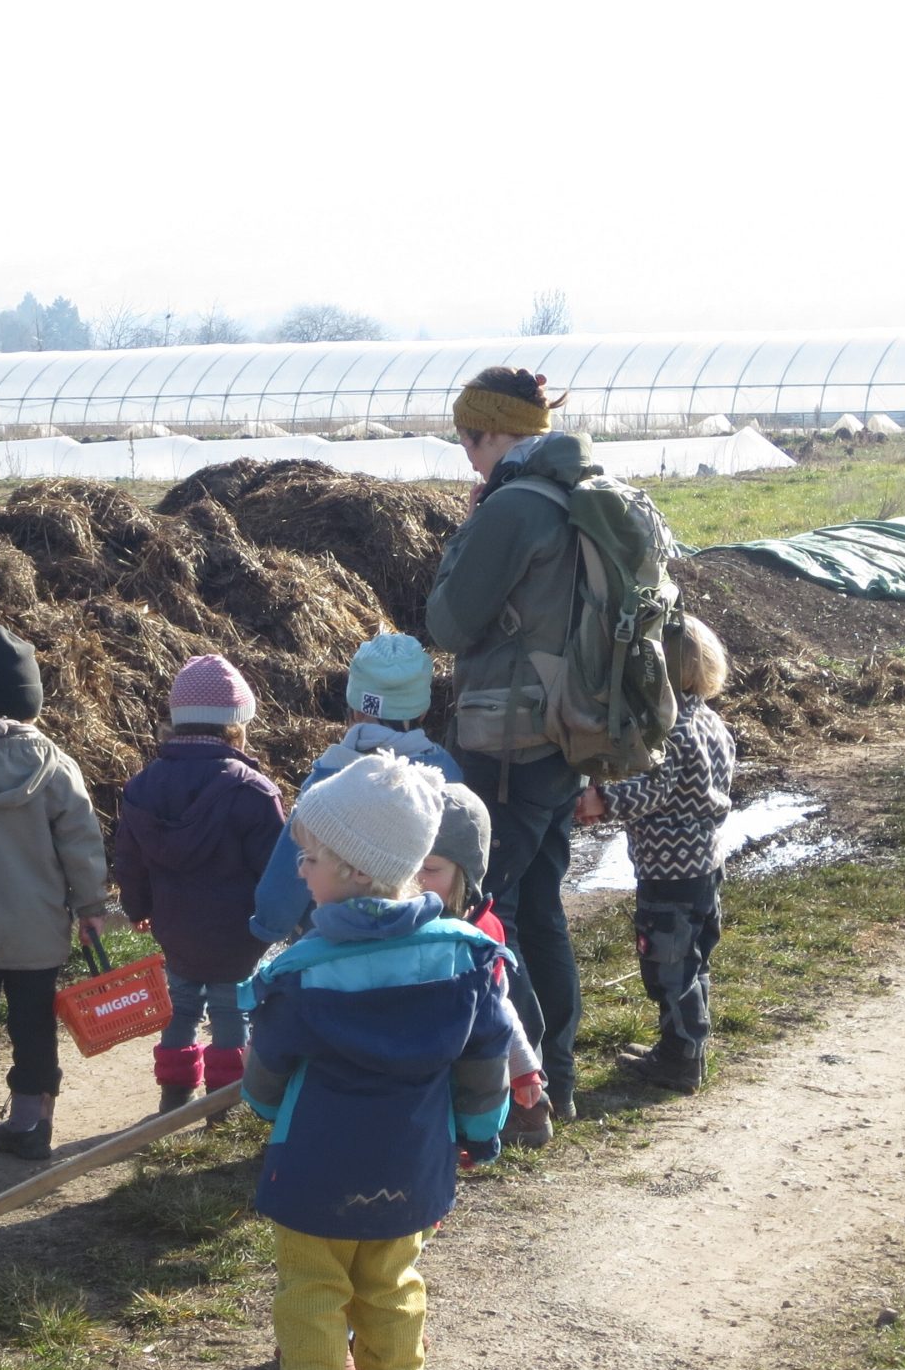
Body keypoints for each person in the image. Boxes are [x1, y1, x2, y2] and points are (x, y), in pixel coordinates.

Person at [241, 752, 518, 1370]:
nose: (300, 872)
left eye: (310, 860)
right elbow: (487, 1061)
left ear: (354, 871)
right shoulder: (464, 959)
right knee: (393, 1277)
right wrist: (482, 1132)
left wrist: (266, 1110)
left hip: (316, 1162)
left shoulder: (301, 974)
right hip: (414, 1162)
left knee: (312, 1281)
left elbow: (269, 1068)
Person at [424, 366, 589, 1123]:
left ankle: (527, 1100)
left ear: (494, 432)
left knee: (496, 913)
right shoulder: (578, 492)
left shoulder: (512, 507)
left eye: (468, 437)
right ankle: (560, 1075)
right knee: (542, 909)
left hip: (506, 739)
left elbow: (450, 624)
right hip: (568, 731)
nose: (465, 453)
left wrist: (466, 539)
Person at [0, 623, 116, 1163]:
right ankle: (30, 1124)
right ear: (31, 700)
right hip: (33, 929)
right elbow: (81, 842)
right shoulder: (54, 766)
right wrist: (91, 906)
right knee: (32, 1026)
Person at [110, 654, 286, 1111]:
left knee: (181, 1005)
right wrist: (276, 920)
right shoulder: (253, 791)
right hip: (236, 932)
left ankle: (174, 1095)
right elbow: (274, 868)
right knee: (232, 1011)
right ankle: (223, 1104)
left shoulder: (142, 787)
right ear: (236, 724)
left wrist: (138, 907)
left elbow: (128, 860)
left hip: (175, 925)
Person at [577, 615, 736, 1095]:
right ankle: (683, 1047)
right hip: (706, 865)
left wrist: (604, 801)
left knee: (668, 968)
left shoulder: (672, 733)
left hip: (669, 872)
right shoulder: (710, 722)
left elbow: (655, 789)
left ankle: (681, 1060)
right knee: (692, 961)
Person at [249, 634, 459, 945]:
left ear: (356, 711)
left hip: (331, 948)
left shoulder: (332, 779)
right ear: (424, 711)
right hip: (423, 945)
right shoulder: (448, 775)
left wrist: (268, 925)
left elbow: (287, 876)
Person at [415, 782, 551, 1144]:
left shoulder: (485, 933)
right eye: (409, 863)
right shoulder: (398, 927)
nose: (416, 879)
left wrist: (523, 1069)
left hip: (469, 1061)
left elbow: (501, 1007)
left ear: (467, 875)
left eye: (430, 867)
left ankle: (520, 1113)